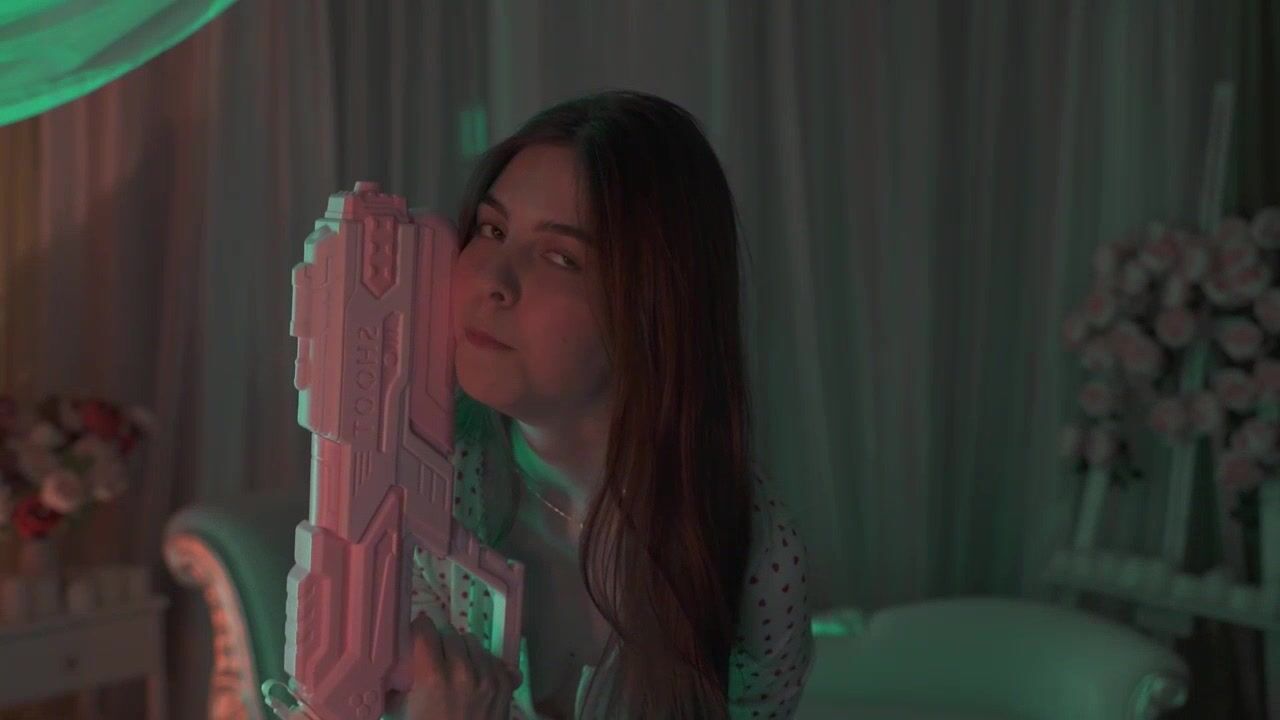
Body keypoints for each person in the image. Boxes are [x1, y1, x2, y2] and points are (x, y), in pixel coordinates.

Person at [392, 89, 814, 720]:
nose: (492, 280)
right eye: (492, 229)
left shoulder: (753, 550)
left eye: (561, 257)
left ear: (654, 309)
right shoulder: (418, 486)